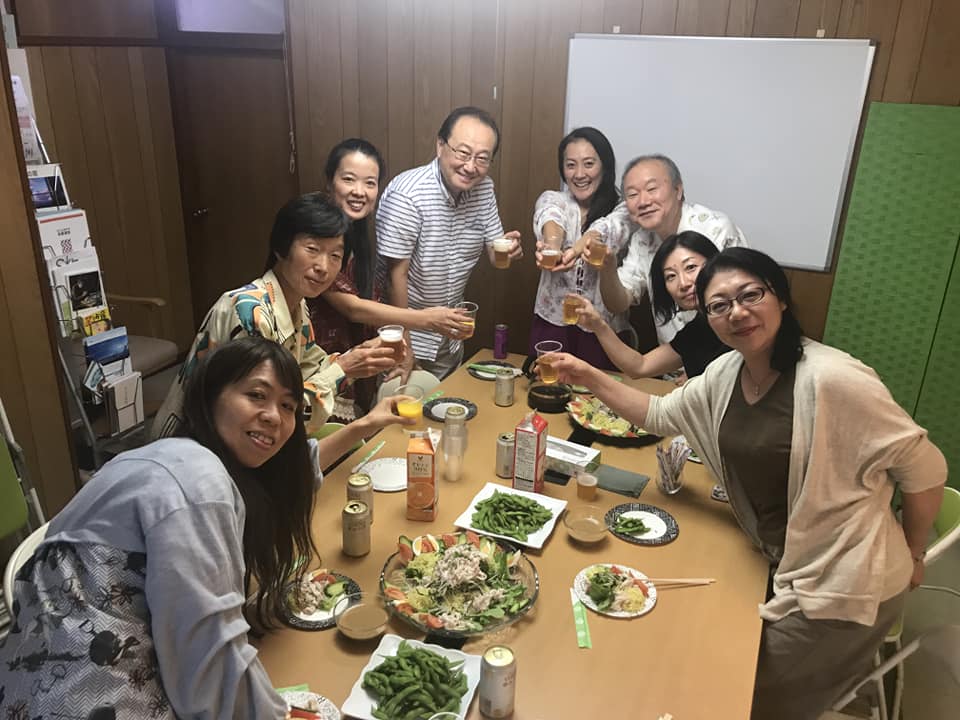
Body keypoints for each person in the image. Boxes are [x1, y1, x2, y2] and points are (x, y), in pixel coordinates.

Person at [541, 248, 947, 720]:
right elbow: (658, 414)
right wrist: (587, 375)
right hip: (781, 559)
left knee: (732, 696)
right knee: (686, 647)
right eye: (719, 305)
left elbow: (926, 468)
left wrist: (915, 551)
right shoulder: (727, 372)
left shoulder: (834, 379)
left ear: (781, 298)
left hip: (843, 584)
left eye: (750, 295)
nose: (736, 312)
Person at [0, 337, 321, 718]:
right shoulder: (200, 480)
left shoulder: (168, 457)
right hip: (84, 695)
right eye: (256, 395)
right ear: (210, 395)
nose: (274, 417)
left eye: (288, 406)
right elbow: (209, 663)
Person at [152, 192, 409, 464]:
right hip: (195, 453)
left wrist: (360, 358)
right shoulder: (251, 313)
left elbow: (309, 369)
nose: (323, 267)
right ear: (281, 247)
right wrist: (345, 369)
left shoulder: (296, 304)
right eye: (312, 249)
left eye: (335, 255)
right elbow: (274, 416)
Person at [308, 139, 473, 416]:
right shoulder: (316, 227)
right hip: (315, 362)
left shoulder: (359, 231)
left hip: (352, 359)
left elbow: (372, 299)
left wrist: (404, 347)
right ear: (329, 181)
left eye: (370, 183)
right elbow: (352, 307)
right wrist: (428, 319)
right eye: (348, 179)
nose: (359, 191)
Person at [376, 106, 524, 378]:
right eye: (463, 153)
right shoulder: (408, 195)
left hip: (451, 335)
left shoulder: (484, 189)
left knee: (445, 403)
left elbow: (496, 255)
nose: (470, 166)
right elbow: (395, 277)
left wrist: (508, 249)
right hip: (407, 337)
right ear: (440, 145)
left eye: (482, 158)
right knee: (401, 404)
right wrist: (403, 349)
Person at [587, 153, 747, 344]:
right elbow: (618, 303)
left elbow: (740, 301)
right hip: (673, 356)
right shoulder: (641, 239)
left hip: (725, 351)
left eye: (652, 189)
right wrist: (608, 270)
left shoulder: (715, 229)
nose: (643, 201)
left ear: (678, 190)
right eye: (632, 194)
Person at [573, 231, 729, 380]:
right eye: (671, 276)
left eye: (690, 267)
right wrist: (598, 325)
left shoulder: (736, 315)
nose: (683, 283)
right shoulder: (697, 330)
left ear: (714, 263)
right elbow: (639, 366)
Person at [529, 127, 623, 368]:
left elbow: (608, 228)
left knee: (597, 390)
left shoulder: (622, 207)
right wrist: (552, 248)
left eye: (589, 164)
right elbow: (550, 215)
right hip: (553, 324)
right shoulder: (554, 198)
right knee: (547, 385)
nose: (579, 174)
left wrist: (576, 250)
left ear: (605, 166)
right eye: (571, 165)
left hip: (602, 328)